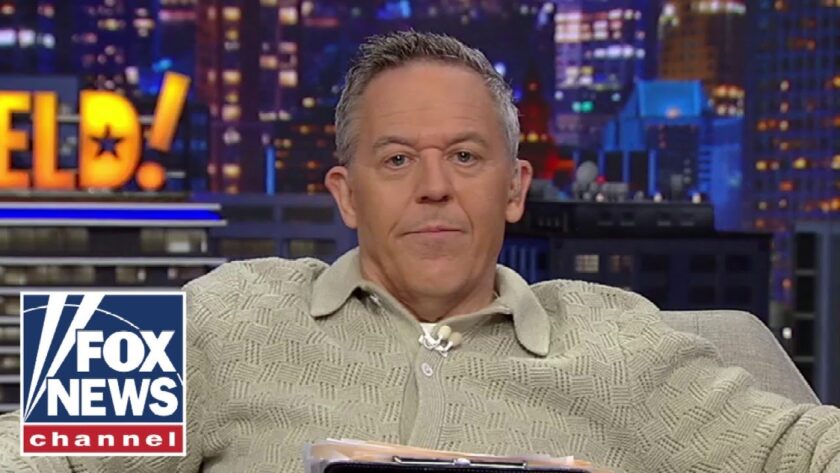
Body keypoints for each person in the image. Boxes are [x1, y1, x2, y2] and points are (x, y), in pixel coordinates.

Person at [2, 31, 839, 473]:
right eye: (398, 159)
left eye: (466, 157)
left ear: (514, 188)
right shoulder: (224, 307)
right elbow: (29, 448)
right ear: (346, 193)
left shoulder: (626, 339)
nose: (434, 187)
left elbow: (804, 450)